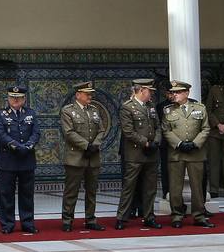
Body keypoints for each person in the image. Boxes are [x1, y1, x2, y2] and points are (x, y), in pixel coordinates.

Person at [163, 81, 213, 228]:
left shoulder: (199, 108)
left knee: (197, 187)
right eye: (173, 92)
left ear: (186, 93)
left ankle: (199, 215)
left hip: (195, 153)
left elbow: (205, 128)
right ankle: (177, 215)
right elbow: (166, 130)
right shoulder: (168, 110)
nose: (175, 95)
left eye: (178, 92)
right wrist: (179, 143)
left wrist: (195, 143)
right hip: (176, 153)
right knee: (175, 187)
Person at [116, 78, 161, 230]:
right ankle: (122, 217)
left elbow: (158, 127)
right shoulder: (127, 107)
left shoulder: (151, 107)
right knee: (129, 187)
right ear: (141, 90)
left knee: (150, 188)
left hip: (151, 154)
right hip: (135, 154)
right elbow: (128, 131)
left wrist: (156, 141)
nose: (151, 94)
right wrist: (145, 142)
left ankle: (149, 216)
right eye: (149, 91)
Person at [59, 81, 105, 232]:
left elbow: (101, 130)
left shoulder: (94, 110)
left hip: (93, 156)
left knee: (92, 191)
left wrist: (95, 145)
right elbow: (69, 132)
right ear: (78, 95)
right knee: (71, 191)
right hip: (76, 157)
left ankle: (90, 219)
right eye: (87, 94)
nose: (90, 97)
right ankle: (67, 220)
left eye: (91, 94)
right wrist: (86, 145)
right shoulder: (68, 111)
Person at [0, 85, 39, 235]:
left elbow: (36, 133)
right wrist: (17, 146)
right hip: (9, 160)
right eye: (12, 97)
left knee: (27, 194)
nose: (15, 100)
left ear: (24, 99)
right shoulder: (1, 114)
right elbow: (0, 134)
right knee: (6, 194)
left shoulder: (31, 114)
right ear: (8, 98)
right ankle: (7, 224)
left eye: (19, 98)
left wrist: (28, 145)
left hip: (27, 159)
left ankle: (28, 223)